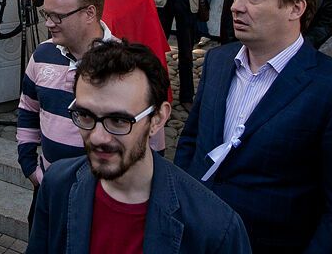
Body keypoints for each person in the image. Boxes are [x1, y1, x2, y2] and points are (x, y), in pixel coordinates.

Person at [175, 0, 332, 254]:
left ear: (295, 7)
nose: (236, 6)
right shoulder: (217, 61)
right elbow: (191, 139)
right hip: (195, 235)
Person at [27, 40, 250, 254]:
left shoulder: (215, 227)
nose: (97, 137)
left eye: (118, 121)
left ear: (158, 119)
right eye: (85, 115)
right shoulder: (57, 184)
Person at [17, 0, 117, 227]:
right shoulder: (42, 55)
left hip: (102, 202)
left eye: (58, 16)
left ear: (90, 13)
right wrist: (30, 166)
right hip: (48, 191)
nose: (49, 23)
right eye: (46, 14)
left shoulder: (123, 63)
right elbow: (28, 109)